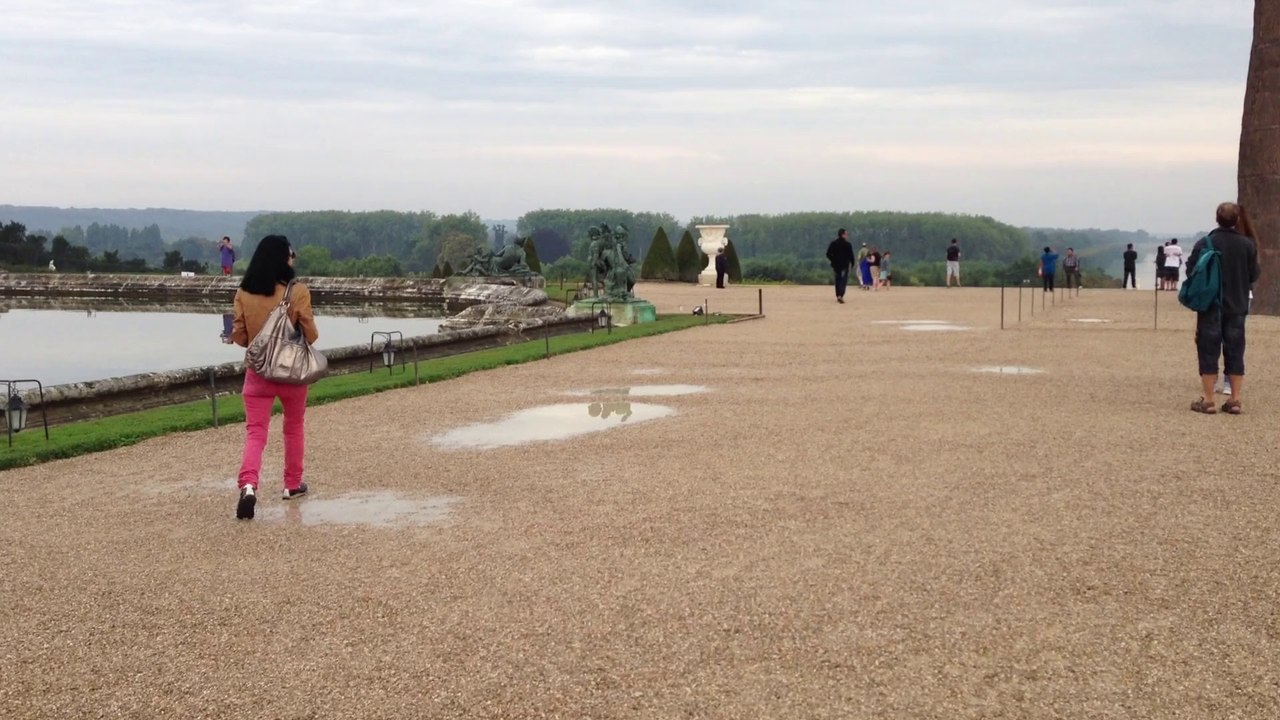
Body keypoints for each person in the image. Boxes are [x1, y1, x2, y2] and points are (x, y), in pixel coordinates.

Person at [230, 235, 319, 519]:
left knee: (256, 433)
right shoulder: (298, 291)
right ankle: (292, 485)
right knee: (293, 428)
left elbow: (241, 337)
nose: (293, 258)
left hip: (258, 374)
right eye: (291, 253)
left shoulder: (244, 292)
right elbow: (312, 334)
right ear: (284, 258)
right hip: (292, 372)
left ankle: (248, 484)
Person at [1188, 203, 1260, 415]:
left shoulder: (1206, 242)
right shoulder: (1247, 244)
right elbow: (1254, 274)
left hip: (1211, 304)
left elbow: (1191, 269)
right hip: (1237, 304)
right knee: (1236, 350)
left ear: (1217, 218)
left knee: (1208, 349)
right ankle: (1235, 400)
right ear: (1237, 219)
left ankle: (1209, 400)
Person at [825, 228, 855, 303]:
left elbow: (828, 254)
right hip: (845, 265)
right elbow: (851, 255)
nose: (847, 235)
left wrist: (833, 260)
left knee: (837, 280)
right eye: (846, 234)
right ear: (843, 234)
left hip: (836, 265)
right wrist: (852, 263)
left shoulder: (833, 243)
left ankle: (838, 295)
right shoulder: (848, 244)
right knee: (843, 280)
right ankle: (841, 295)